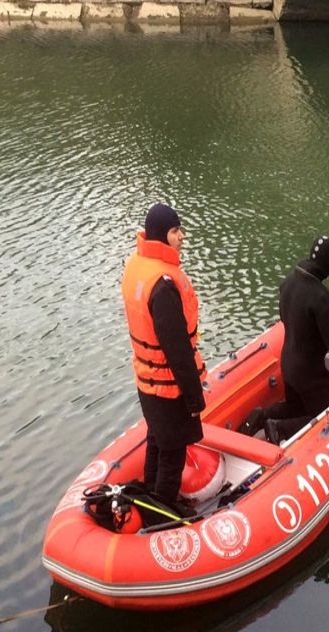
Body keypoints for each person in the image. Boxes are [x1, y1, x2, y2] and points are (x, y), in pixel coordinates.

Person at [241, 235, 329, 443]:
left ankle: (263, 415)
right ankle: (278, 427)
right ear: (328, 263)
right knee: (326, 417)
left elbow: (287, 319)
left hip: (288, 362)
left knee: (295, 407)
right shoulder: (319, 296)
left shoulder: (288, 282)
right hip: (310, 374)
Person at [121, 203, 206, 511]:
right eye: (175, 231)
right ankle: (161, 513)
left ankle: (150, 500)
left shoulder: (138, 267)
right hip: (169, 389)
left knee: (157, 440)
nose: (181, 237)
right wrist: (195, 399)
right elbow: (178, 351)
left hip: (148, 384)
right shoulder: (164, 286)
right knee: (172, 454)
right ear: (160, 236)